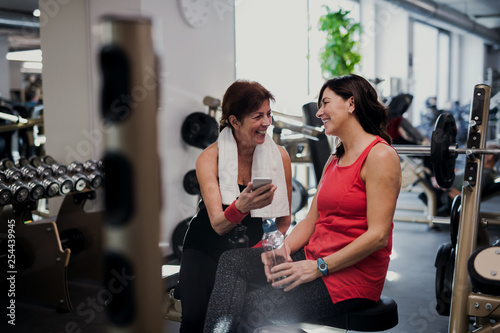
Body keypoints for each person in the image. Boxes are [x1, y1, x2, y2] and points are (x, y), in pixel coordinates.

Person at [202, 74, 402, 332]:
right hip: (314, 257)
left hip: (350, 277)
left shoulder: (380, 155)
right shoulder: (335, 158)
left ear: (351, 103)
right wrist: (283, 251)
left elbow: (378, 236)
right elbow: (311, 220)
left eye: (325, 103)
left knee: (250, 307)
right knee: (232, 262)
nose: (319, 112)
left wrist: (319, 268)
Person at [177, 80, 293, 332]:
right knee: (195, 320)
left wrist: (264, 250)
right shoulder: (209, 158)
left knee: (242, 321)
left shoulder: (280, 156)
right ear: (235, 121)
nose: (267, 123)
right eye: (257, 116)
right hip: (205, 247)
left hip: (251, 251)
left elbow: (284, 220)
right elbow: (218, 225)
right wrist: (242, 206)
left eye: (269, 114)